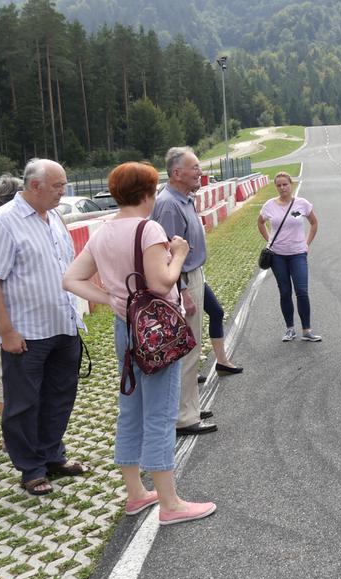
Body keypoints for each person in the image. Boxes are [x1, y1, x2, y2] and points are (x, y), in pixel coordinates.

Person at [63, 162, 216, 525]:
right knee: (161, 412)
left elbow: (71, 279)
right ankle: (170, 503)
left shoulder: (102, 232)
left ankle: (136, 493)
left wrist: (112, 299)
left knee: (130, 408)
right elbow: (162, 283)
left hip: (126, 328)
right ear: (148, 192)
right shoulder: (149, 230)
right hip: (157, 330)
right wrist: (178, 251)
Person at [0, 159, 88, 496]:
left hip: (63, 325)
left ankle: (53, 456)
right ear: (34, 186)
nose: (63, 191)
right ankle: (31, 469)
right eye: (58, 186)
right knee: (23, 404)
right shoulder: (3, 222)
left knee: (59, 397)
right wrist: (7, 332)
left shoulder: (54, 217)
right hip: (26, 333)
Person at [151, 147, 217, 436]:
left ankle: (189, 405)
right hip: (183, 280)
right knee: (187, 349)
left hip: (192, 274)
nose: (199, 172)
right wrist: (182, 291)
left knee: (193, 346)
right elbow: (166, 252)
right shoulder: (168, 204)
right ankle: (183, 416)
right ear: (177, 173)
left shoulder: (184, 199)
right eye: (195, 167)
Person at [257, 172, 321, 342]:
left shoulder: (302, 204)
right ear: (276, 187)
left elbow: (314, 223)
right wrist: (269, 240)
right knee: (285, 292)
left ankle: (307, 330)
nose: (282, 188)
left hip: (298, 254)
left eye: (285, 184)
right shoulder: (269, 205)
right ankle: (290, 329)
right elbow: (260, 222)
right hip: (277, 256)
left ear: (290, 185)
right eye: (278, 185)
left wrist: (307, 243)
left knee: (301, 291)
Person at [0, 174, 24, 423]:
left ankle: (10, 433)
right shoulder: (1, 225)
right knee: (6, 371)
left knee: (6, 371)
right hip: (4, 310)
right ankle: (9, 434)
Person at [203, 282, 242, 375]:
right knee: (191, 322)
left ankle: (222, 362)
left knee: (217, 312)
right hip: (185, 281)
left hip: (197, 277)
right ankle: (189, 372)